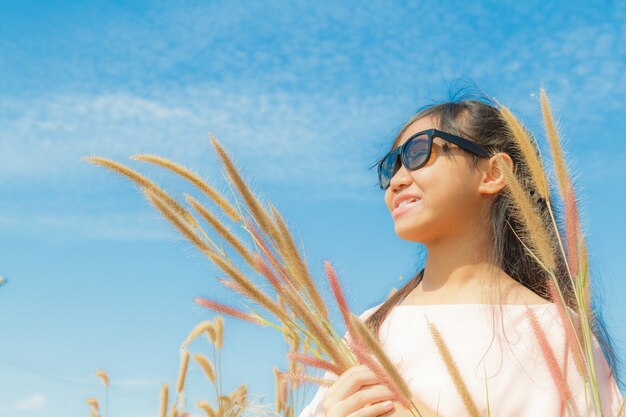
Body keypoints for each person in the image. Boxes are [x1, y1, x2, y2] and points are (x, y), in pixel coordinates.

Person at [297, 91, 624, 417]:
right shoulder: (369, 328)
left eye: (418, 152)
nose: (396, 180)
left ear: (494, 173)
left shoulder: (558, 332)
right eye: (390, 167)